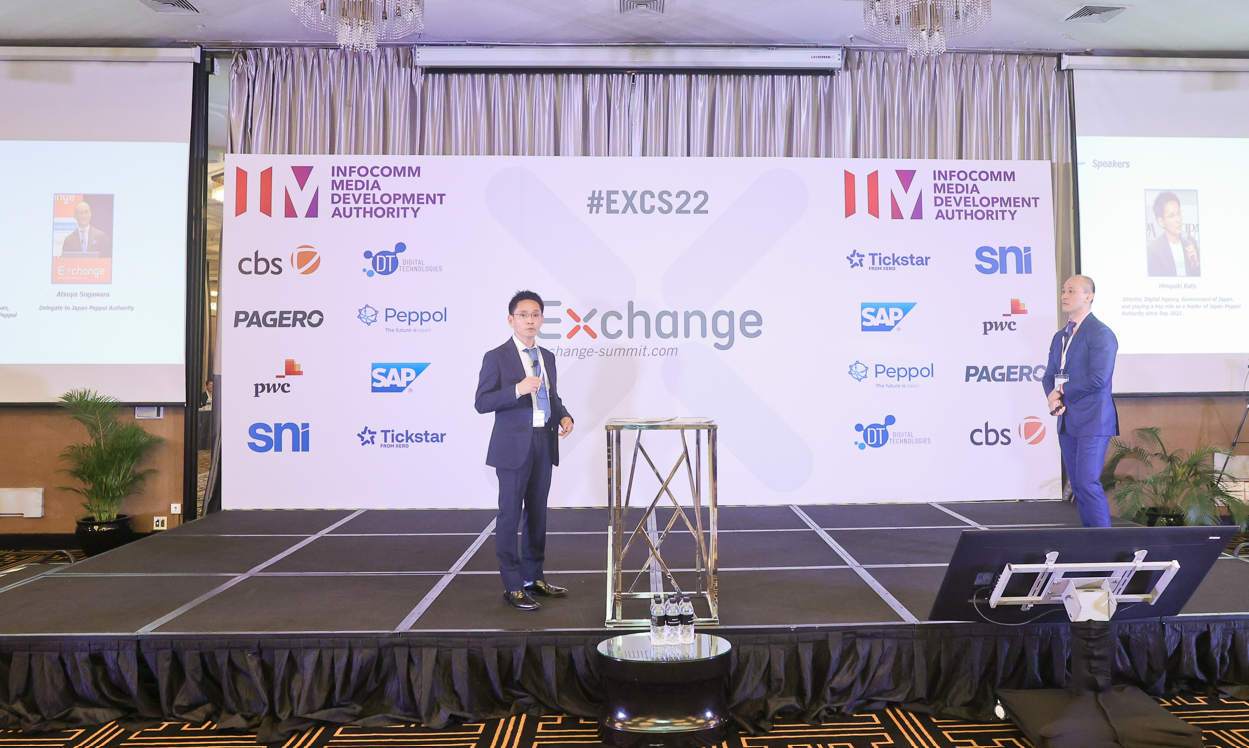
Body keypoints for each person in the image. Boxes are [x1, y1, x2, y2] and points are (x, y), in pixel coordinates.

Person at [474, 291, 575, 611]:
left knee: (537, 513)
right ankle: (513, 586)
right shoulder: (497, 356)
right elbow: (482, 402)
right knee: (510, 515)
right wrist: (517, 389)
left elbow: (551, 396)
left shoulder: (548, 356)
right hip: (512, 446)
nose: (530, 320)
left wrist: (563, 415)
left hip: (544, 441)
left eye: (535, 315)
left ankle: (534, 577)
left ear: (542, 319)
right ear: (511, 320)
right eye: (523, 315)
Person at [1042, 276, 1119, 528]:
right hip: (1067, 420)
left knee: (1087, 483)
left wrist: (1062, 390)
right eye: (1064, 291)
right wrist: (1052, 396)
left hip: (1093, 420)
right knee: (1078, 486)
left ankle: (1105, 546)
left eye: (1071, 291)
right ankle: (1091, 541)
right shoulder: (1060, 336)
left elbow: (1099, 378)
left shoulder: (1100, 333)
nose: (1064, 296)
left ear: (1088, 296)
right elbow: (1049, 374)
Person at [1146, 191, 1199, 277]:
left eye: (1178, 213)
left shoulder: (1191, 242)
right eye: (1172, 216)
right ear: (1161, 221)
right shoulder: (1153, 251)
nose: (1178, 220)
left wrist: (1195, 265)